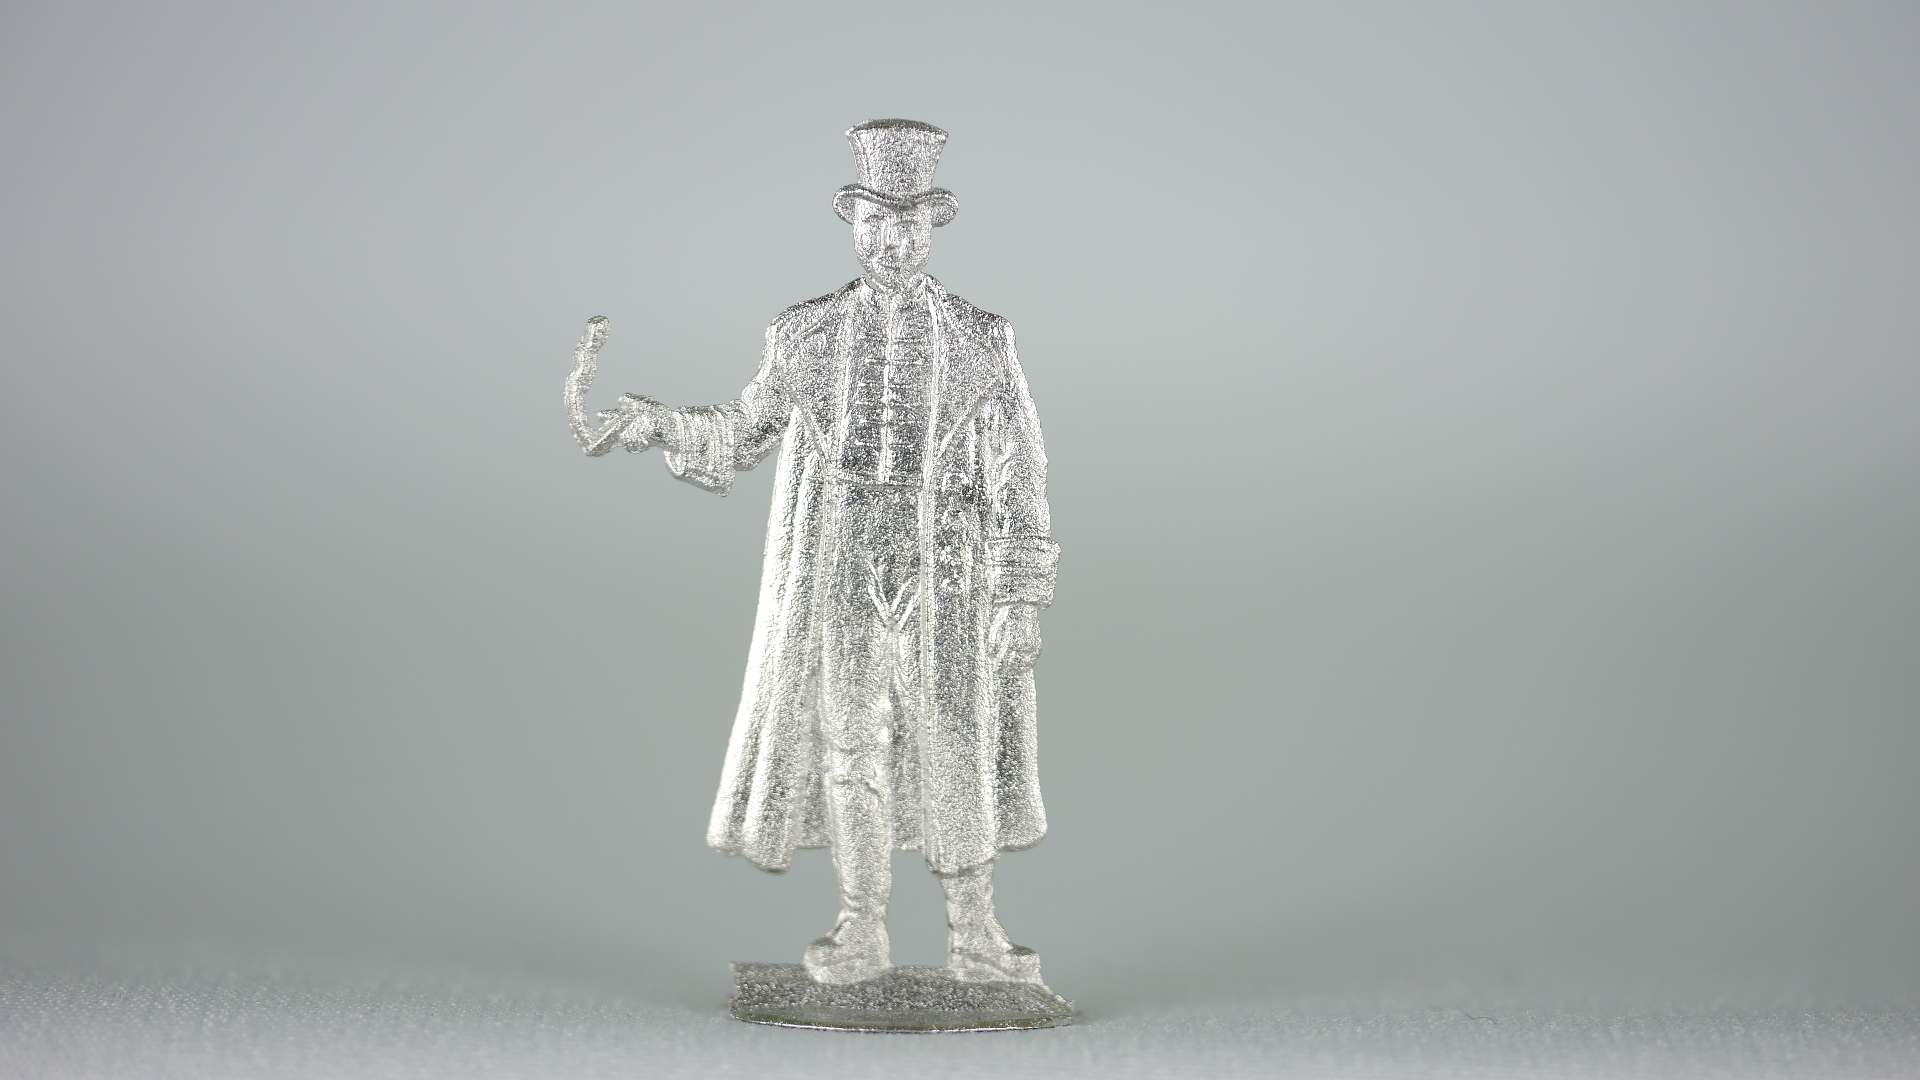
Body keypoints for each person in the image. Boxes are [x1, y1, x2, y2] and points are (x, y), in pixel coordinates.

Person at [577, 119, 1058, 986]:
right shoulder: (806, 333)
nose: (893, 242)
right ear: (854, 225)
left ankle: (975, 935)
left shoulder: (982, 337)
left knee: (957, 739)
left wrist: (1019, 596)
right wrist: (660, 424)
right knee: (849, 745)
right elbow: (746, 428)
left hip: (947, 568)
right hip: (842, 563)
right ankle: (861, 927)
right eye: (876, 223)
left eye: (909, 224)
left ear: (931, 226)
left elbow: (1020, 467)